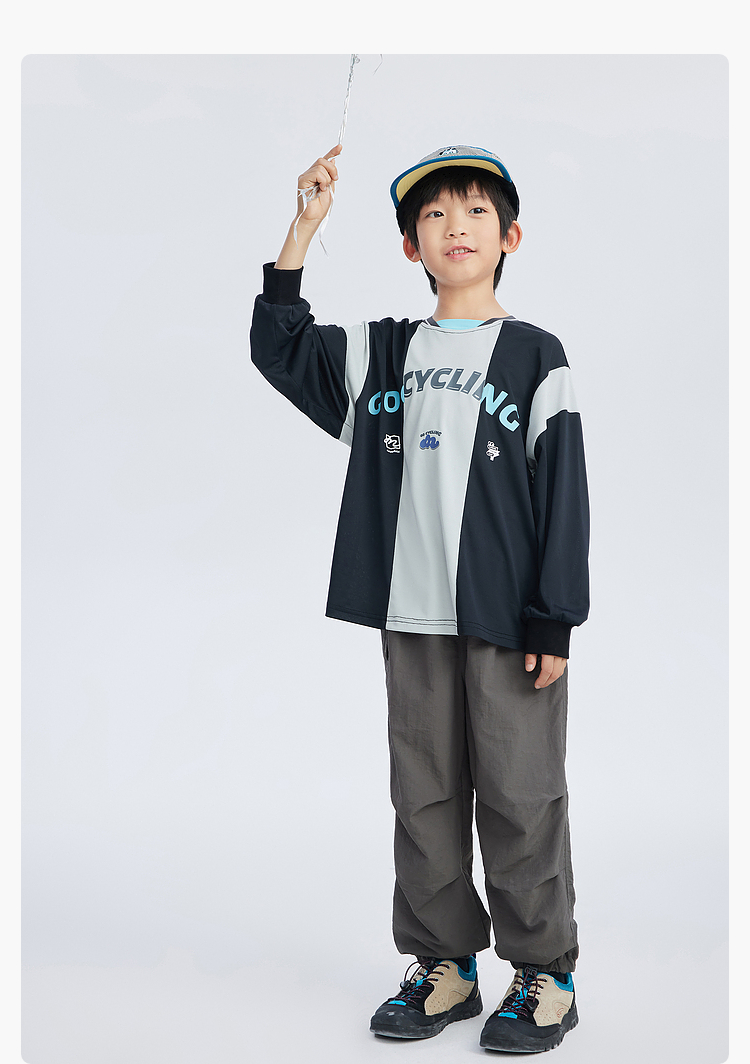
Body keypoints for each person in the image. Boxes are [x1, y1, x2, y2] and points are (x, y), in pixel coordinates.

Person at [249, 142, 589, 1054]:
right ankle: (445, 966)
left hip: (508, 620)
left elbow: (564, 492)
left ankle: (545, 975)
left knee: (521, 796)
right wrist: (302, 231)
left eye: (475, 211)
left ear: (510, 236)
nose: (455, 227)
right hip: (412, 616)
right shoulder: (385, 352)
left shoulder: (537, 355)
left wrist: (555, 615)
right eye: (434, 215)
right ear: (411, 246)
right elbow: (279, 346)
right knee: (425, 798)